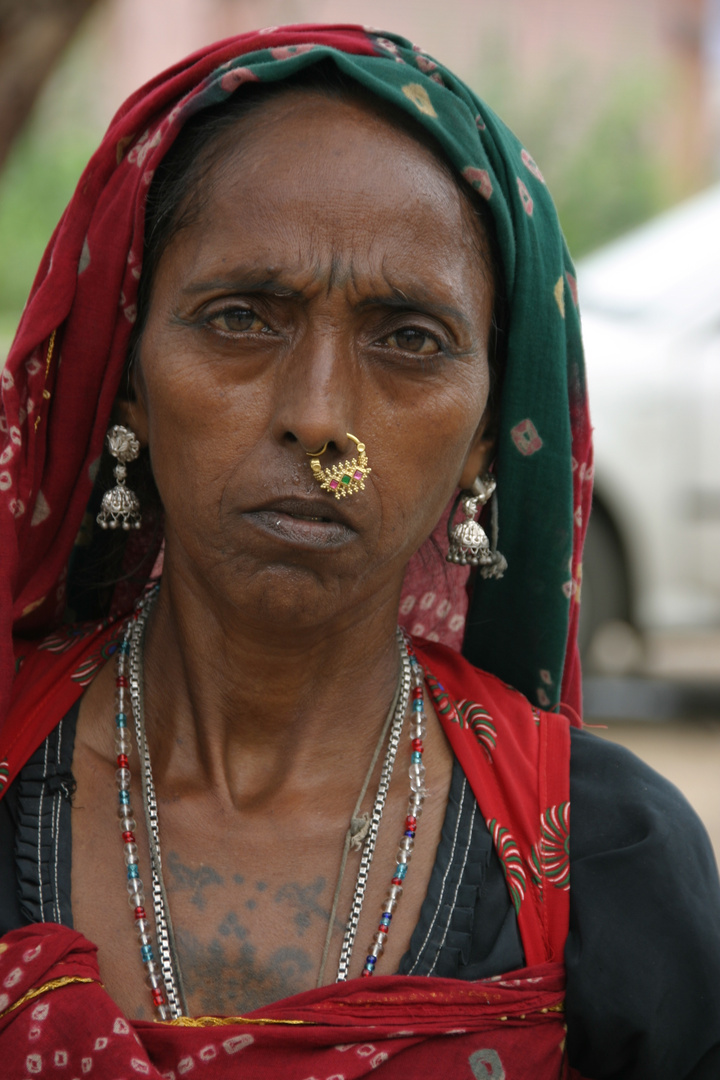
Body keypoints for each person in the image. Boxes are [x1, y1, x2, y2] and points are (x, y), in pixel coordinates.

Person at [0, 24, 718, 1080]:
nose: (322, 419)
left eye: (410, 338)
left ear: (486, 433)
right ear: (131, 378)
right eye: (242, 316)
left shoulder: (612, 859)